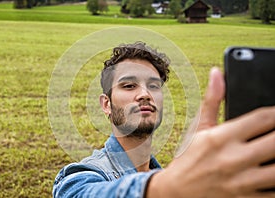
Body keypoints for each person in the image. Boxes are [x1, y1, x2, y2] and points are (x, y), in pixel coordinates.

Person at [53, 42, 275, 198]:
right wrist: (168, 189)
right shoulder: (84, 175)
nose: (144, 94)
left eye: (153, 85)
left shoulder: (171, 177)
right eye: (129, 85)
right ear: (106, 104)